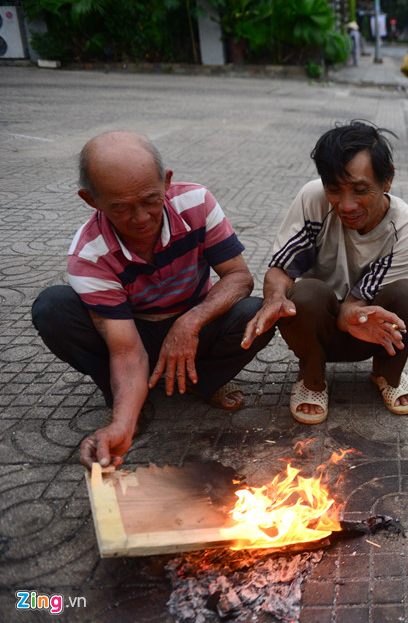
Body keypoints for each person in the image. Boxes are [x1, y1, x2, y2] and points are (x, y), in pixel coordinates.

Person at [31, 131, 274, 469]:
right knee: (53, 309)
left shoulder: (196, 203)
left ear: (167, 181)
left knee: (258, 314)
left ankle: (200, 383)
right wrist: (121, 426)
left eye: (150, 200)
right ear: (91, 200)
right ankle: (127, 406)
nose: (141, 218)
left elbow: (239, 276)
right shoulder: (89, 255)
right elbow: (126, 350)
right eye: (120, 207)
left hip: (194, 320)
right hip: (133, 330)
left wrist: (190, 322)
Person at [241, 121, 408, 425]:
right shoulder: (313, 198)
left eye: (360, 190)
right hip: (316, 325)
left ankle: (386, 373)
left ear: (388, 179)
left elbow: (357, 304)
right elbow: (280, 270)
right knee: (302, 294)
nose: (346, 205)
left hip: (370, 330)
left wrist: (352, 315)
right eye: (333, 189)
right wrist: (274, 299)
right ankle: (312, 379)